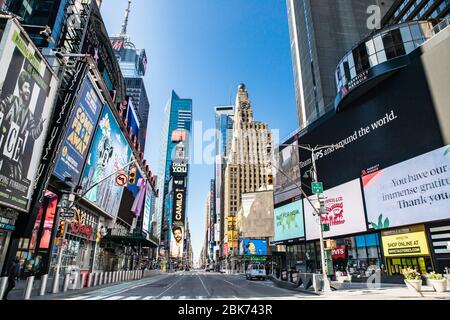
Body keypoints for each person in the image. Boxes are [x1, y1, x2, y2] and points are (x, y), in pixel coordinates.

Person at [0, 71, 46, 180]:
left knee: (18, 178)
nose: (28, 91)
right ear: (20, 89)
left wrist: (40, 126)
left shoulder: (29, 114)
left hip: (15, 153)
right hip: (2, 143)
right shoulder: (10, 100)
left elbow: (33, 134)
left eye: (30, 88)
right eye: (26, 87)